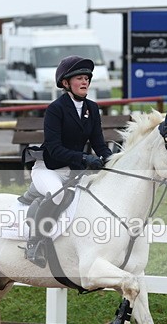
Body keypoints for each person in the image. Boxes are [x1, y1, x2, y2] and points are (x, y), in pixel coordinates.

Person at [24, 55, 113, 267]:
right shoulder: (55, 109)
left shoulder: (92, 108)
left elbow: (99, 144)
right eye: (79, 78)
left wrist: (112, 160)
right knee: (58, 194)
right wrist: (84, 157)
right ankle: (34, 243)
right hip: (49, 168)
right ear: (66, 83)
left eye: (87, 78)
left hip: (74, 171)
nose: (85, 82)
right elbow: (54, 148)